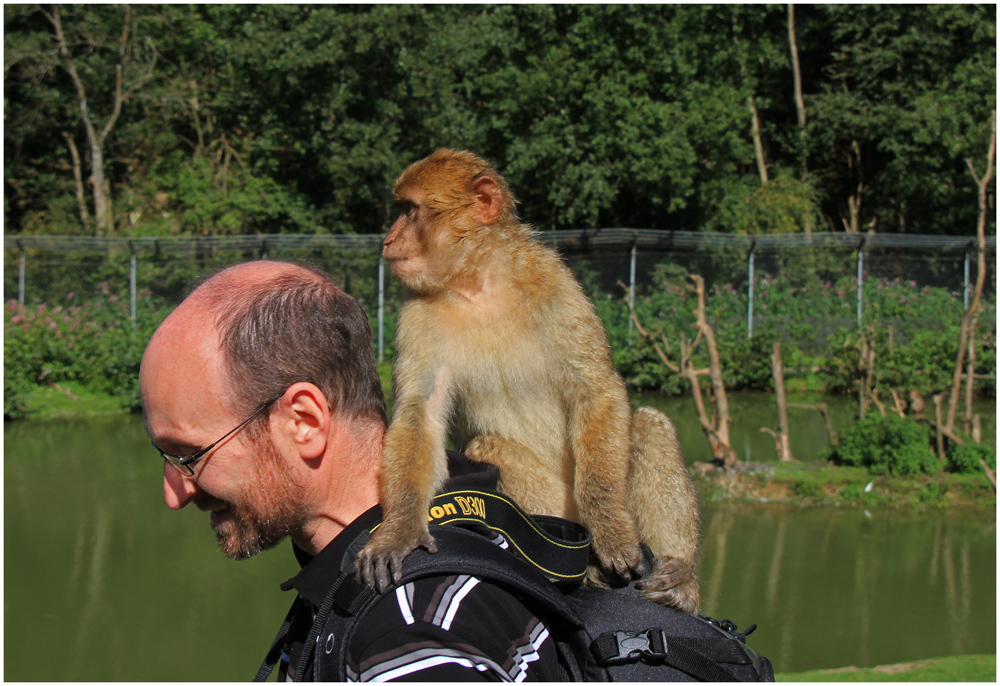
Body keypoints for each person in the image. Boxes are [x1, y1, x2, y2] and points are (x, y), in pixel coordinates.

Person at [139, 260, 563, 681]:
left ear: (304, 423)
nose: (174, 495)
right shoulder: (435, 538)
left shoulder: (412, 636)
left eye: (190, 454)